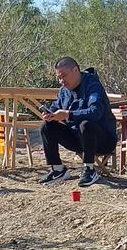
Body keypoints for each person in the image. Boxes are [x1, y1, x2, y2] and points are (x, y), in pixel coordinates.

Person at [39, 58, 118, 186]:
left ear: (75, 70)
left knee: (86, 123)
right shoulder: (64, 90)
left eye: (64, 76)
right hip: (78, 139)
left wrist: (68, 114)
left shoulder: (93, 86)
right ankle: (58, 169)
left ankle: (89, 169)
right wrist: (50, 114)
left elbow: (95, 112)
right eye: (59, 78)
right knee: (46, 127)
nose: (62, 81)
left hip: (103, 141)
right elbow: (56, 106)